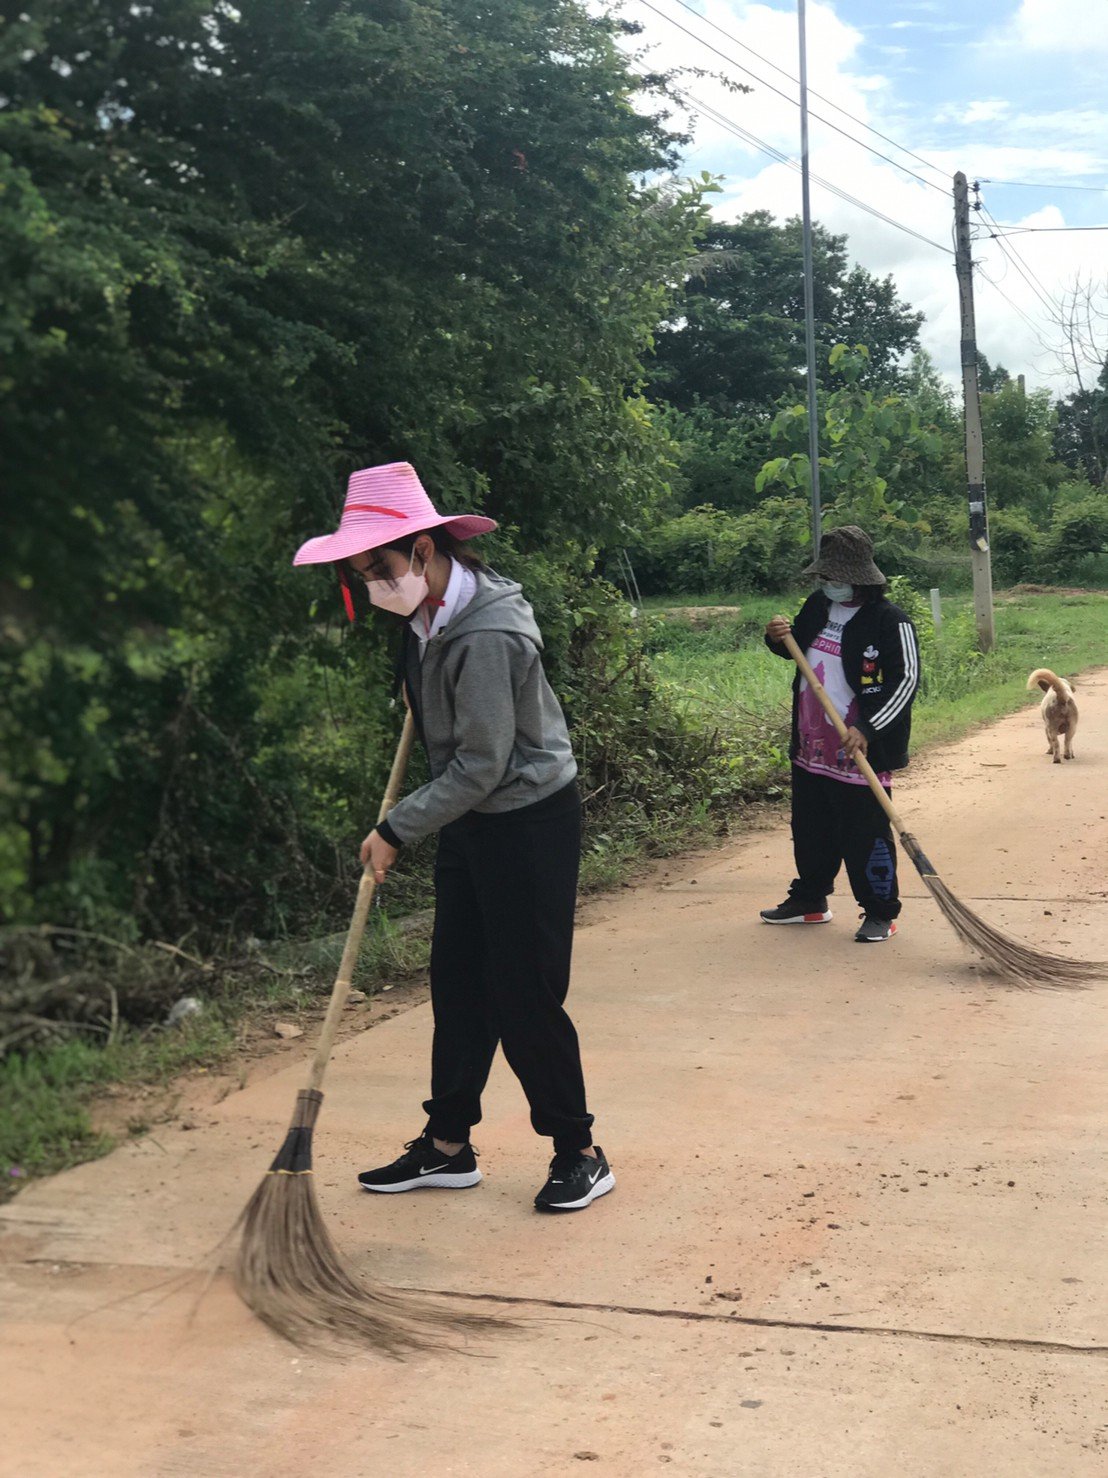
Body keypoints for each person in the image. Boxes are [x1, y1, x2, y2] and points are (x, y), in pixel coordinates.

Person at [293, 461, 614, 1211]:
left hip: (528, 821)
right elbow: (443, 733)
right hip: (470, 821)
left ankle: (581, 1150)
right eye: (361, 572)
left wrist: (396, 827)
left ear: (425, 551)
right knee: (459, 986)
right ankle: (446, 1145)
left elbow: (482, 762)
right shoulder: (423, 620)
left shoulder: (491, 633)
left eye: (379, 568)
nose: (373, 584)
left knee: (524, 995)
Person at [761, 525, 920, 943]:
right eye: (825, 578)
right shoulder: (818, 607)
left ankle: (881, 912)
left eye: (836, 578)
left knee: (864, 833)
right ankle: (810, 900)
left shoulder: (890, 621)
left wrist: (867, 727)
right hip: (812, 744)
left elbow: (905, 682)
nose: (828, 584)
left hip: (860, 748)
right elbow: (796, 650)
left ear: (860, 576)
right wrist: (776, 638)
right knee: (811, 827)